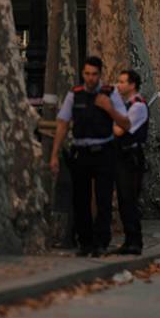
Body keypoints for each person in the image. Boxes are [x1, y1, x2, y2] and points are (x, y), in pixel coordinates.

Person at [50, 56, 131, 257]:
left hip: (104, 151)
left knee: (104, 199)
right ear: (82, 74)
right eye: (87, 74)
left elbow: (126, 124)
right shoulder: (74, 95)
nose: (90, 78)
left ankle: (101, 242)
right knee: (81, 199)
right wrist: (54, 155)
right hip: (81, 152)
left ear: (100, 75)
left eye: (94, 74)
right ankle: (85, 242)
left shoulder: (110, 94)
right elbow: (62, 123)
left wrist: (109, 108)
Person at [113, 69, 148, 255]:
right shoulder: (125, 105)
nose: (119, 85)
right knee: (123, 200)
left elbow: (119, 131)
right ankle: (129, 240)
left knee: (130, 199)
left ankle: (135, 241)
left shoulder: (138, 106)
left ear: (132, 85)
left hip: (131, 158)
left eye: (123, 82)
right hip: (121, 157)